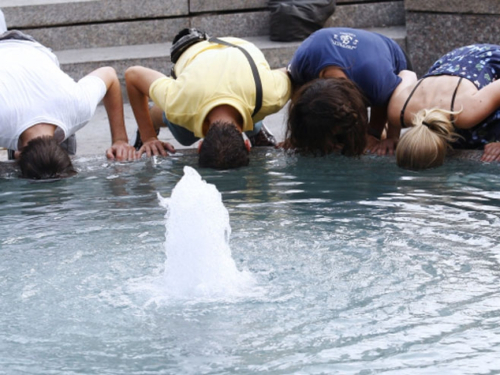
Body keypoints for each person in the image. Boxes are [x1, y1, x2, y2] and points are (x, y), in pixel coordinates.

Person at [125, 34, 291, 170]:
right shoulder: (180, 102)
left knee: (258, 102)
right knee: (184, 134)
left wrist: (296, 136)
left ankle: (255, 126)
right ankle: (152, 117)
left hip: (237, 49)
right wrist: (148, 136)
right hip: (195, 52)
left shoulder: (271, 93)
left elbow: (295, 72)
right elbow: (133, 75)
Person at [0, 30, 136, 179]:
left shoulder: (76, 106)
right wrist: (120, 140)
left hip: (27, 52)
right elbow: (109, 74)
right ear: (19, 153)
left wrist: (120, 140)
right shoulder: (76, 107)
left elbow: (109, 74)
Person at [284, 27, 412, 156]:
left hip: (392, 58)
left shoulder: (375, 80)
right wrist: (296, 137)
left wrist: (380, 135)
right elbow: (298, 99)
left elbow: (389, 101)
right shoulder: (302, 62)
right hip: (325, 45)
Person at [376, 44, 500, 170]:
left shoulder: (467, 112)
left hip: (488, 57)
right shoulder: (398, 112)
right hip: (451, 61)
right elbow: (407, 74)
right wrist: (392, 137)